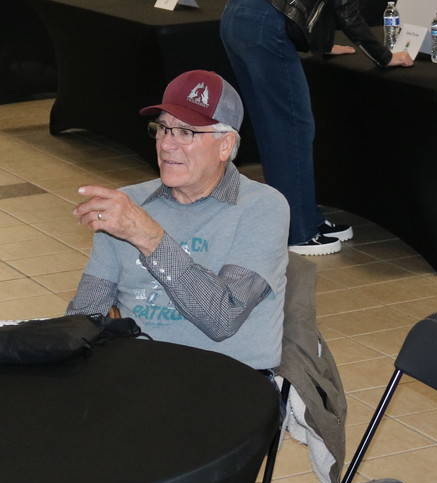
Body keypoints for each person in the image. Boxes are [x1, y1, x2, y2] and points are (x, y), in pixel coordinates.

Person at [222, 0, 414, 255]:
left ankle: (302, 216)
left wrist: (322, 46)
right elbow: (344, 2)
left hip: (241, 18)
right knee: (293, 127)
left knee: (277, 127)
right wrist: (383, 54)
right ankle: (299, 231)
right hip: (263, 26)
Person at [66, 70, 288, 370]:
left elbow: (223, 319)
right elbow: (86, 314)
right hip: (142, 373)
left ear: (225, 145)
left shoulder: (262, 207)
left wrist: (149, 238)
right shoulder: (128, 203)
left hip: (229, 378)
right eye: (163, 129)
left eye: (186, 132)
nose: (167, 144)